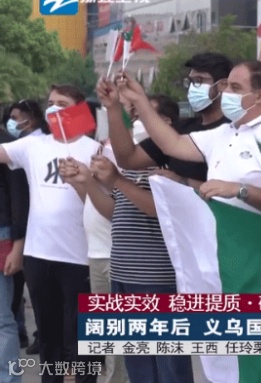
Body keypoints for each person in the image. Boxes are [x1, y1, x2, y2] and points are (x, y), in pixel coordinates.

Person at [61, 94, 194, 383]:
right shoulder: (130, 164)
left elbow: (158, 209)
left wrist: (117, 180)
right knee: (138, 362)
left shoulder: (174, 163)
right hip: (123, 272)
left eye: (140, 115)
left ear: (164, 122)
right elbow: (114, 211)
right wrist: (86, 181)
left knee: (168, 363)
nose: (134, 121)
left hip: (156, 276)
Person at [0, 85, 101, 383]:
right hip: (38, 255)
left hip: (80, 257)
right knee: (49, 336)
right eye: (51, 102)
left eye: (62, 103)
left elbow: (104, 203)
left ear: (78, 109)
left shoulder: (94, 149)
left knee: (80, 336)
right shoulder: (33, 145)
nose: (54, 108)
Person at [102, 61, 261, 214]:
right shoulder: (224, 132)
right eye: (227, 86)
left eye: (235, 88)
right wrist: (138, 99)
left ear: (259, 96)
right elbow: (173, 144)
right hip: (225, 244)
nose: (226, 93)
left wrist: (240, 190)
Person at [107, 52, 232, 190]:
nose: (192, 88)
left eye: (199, 81)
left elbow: (232, 191)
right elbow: (128, 159)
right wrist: (113, 108)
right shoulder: (180, 130)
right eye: (190, 82)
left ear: (223, 85)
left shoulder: (234, 131)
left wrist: (182, 181)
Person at [6, 99, 45, 353]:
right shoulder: (19, 145)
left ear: (30, 118)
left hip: (31, 230)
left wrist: (17, 242)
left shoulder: (27, 147)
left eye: (16, 117)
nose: (12, 122)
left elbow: (18, 196)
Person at [0, 124, 26, 383]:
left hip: (2, 235)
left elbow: (19, 199)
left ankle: (8, 378)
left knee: (2, 319)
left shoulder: (9, 147)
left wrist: (17, 246)